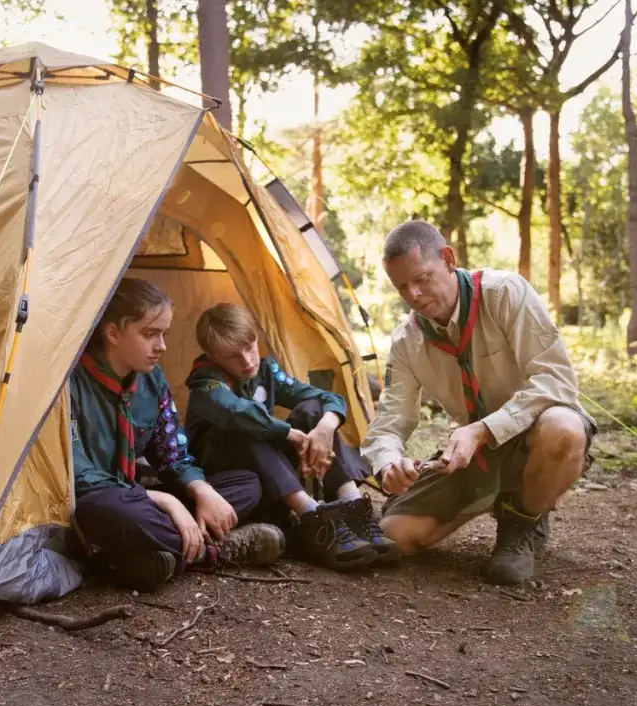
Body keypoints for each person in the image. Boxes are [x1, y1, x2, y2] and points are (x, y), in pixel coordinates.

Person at [361, 221, 597, 585]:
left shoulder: (504, 293)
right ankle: (501, 495)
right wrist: (390, 463)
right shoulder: (407, 341)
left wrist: (484, 429)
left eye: (423, 278)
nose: (415, 295)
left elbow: (556, 379)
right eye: (402, 288)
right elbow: (390, 420)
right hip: (475, 454)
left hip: (533, 434)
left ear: (448, 259)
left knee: (564, 431)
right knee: (395, 534)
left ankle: (521, 523)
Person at [71, 279, 285, 592]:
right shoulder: (71, 383)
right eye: (150, 334)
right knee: (106, 510)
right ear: (113, 332)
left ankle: (148, 557)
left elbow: (171, 453)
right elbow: (79, 477)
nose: (162, 346)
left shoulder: (151, 379)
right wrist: (166, 500)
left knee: (246, 484)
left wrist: (201, 491)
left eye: (165, 334)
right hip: (103, 504)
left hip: (138, 504)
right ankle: (214, 550)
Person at [184, 303, 399, 571]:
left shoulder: (264, 371)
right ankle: (311, 518)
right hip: (229, 480)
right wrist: (292, 435)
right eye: (233, 356)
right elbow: (239, 413)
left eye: (250, 347)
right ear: (214, 356)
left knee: (314, 410)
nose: (248, 361)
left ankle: (352, 506)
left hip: (265, 468)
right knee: (244, 426)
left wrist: (325, 427)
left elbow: (324, 398)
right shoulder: (205, 381)